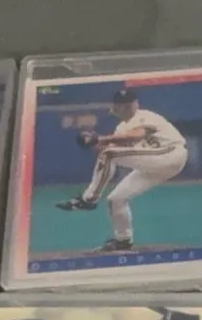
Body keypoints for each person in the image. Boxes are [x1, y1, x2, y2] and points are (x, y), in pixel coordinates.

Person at [58, 87, 189, 254]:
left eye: (130, 104)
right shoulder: (121, 128)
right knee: (116, 199)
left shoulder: (145, 116)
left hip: (171, 154)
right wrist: (91, 142)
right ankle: (123, 241)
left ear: (136, 104)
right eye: (122, 105)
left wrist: (101, 139)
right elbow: (107, 151)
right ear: (115, 108)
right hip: (154, 165)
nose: (127, 107)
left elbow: (136, 135)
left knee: (109, 154)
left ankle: (89, 199)